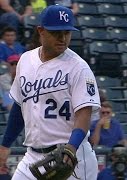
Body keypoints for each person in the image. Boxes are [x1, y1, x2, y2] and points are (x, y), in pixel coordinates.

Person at [0, 5, 101, 180]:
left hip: (70, 157)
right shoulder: (25, 60)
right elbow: (19, 106)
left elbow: (83, 115)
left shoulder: (78, 67)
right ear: (41, 31)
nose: (62, 38)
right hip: (32, 155)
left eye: (67, 33)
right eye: (56, 32)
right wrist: (5, 145)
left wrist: (71, 149)